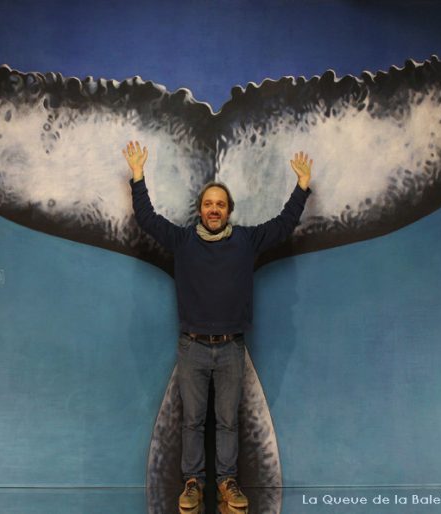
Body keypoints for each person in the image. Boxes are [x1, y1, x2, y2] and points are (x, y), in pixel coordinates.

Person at [122, 141, 312, 510]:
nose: (214, 209)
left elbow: (284, 224)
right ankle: (193, 484)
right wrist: (138, 176)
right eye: (208, 204)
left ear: (228, 211)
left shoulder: (246, 240)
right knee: (192, 422)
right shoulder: (183, 240)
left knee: (228, 422)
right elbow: (147, 219)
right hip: (192, 346)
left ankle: (227, 483)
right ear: (200, 210)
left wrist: (302, 187)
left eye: (220, 205)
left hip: (231, 347)